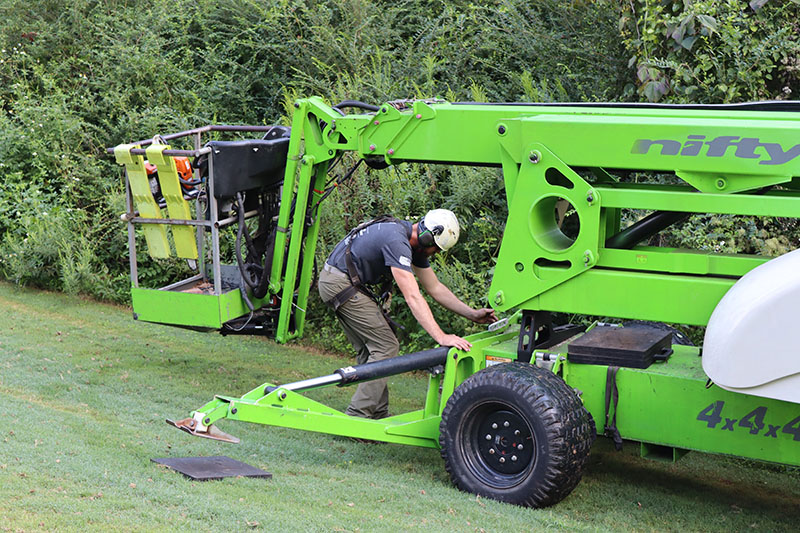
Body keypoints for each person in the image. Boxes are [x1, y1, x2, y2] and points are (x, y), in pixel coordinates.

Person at [318, 209, 497, 419]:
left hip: (337, 281)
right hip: (339, 283)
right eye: (436, 249)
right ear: (426, 236)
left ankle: (376, 414)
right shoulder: (396, 241)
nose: (435, 254)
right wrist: (441, 337)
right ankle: (358, 417)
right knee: (386, 346)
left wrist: (473, 315)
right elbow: (413, 296)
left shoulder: (412, 243)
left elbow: (435, 288)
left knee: (373, 351)